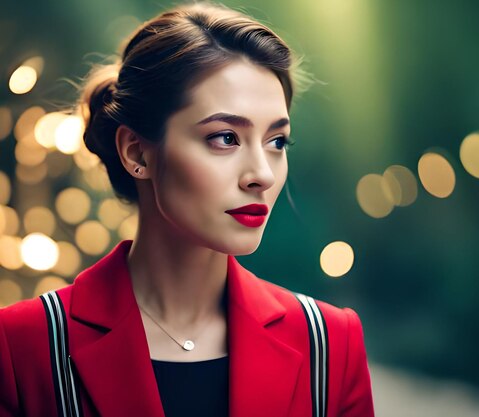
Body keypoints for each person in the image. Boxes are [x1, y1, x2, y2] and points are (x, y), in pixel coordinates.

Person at [0, 2, 375, 417]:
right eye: (225, 138)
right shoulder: (23, 347)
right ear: (136, 151)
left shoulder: (329, 344)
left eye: (277, 142)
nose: (262, 175)